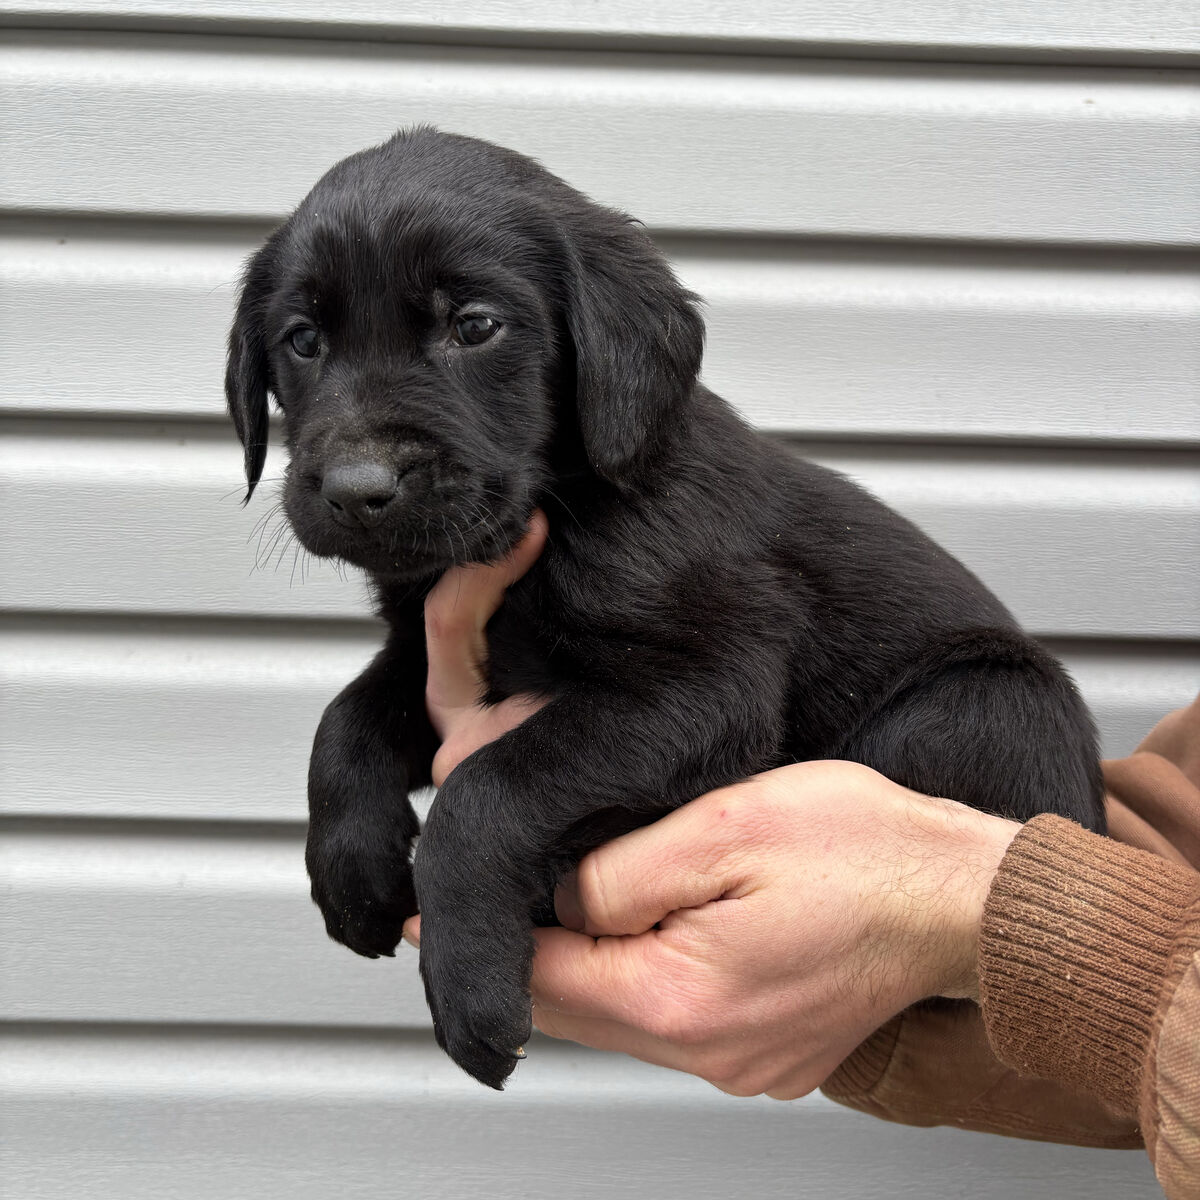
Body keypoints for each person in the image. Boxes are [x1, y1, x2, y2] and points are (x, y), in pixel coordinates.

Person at [403, 515, 1200, 1198]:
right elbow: (1174, 851)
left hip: (973, 722)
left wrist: (984, 911)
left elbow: (715, 707)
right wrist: (833, 961)